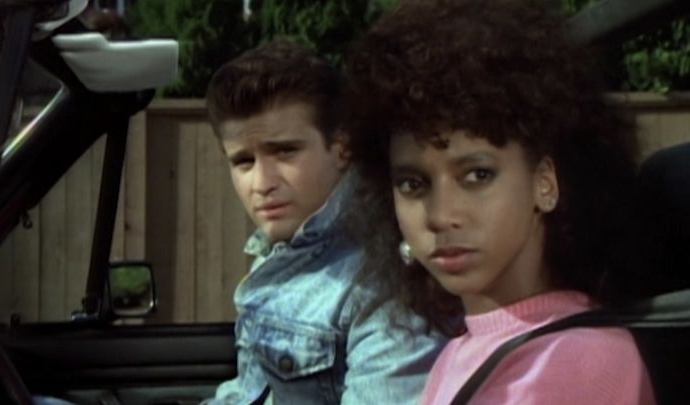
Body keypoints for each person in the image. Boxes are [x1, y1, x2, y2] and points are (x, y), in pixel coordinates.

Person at [343, 0, 659, 403]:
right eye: (413, 184)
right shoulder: (463, 349)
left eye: (477, 175)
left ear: (545, 182)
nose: (441, 215)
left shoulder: (576, 362)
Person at [202, 39, 447, 404]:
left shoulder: (384, 282)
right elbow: (245, 395)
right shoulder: (281, 253)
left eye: (285, 152)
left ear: (341, 148)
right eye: (243, 162)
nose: (262, 183)